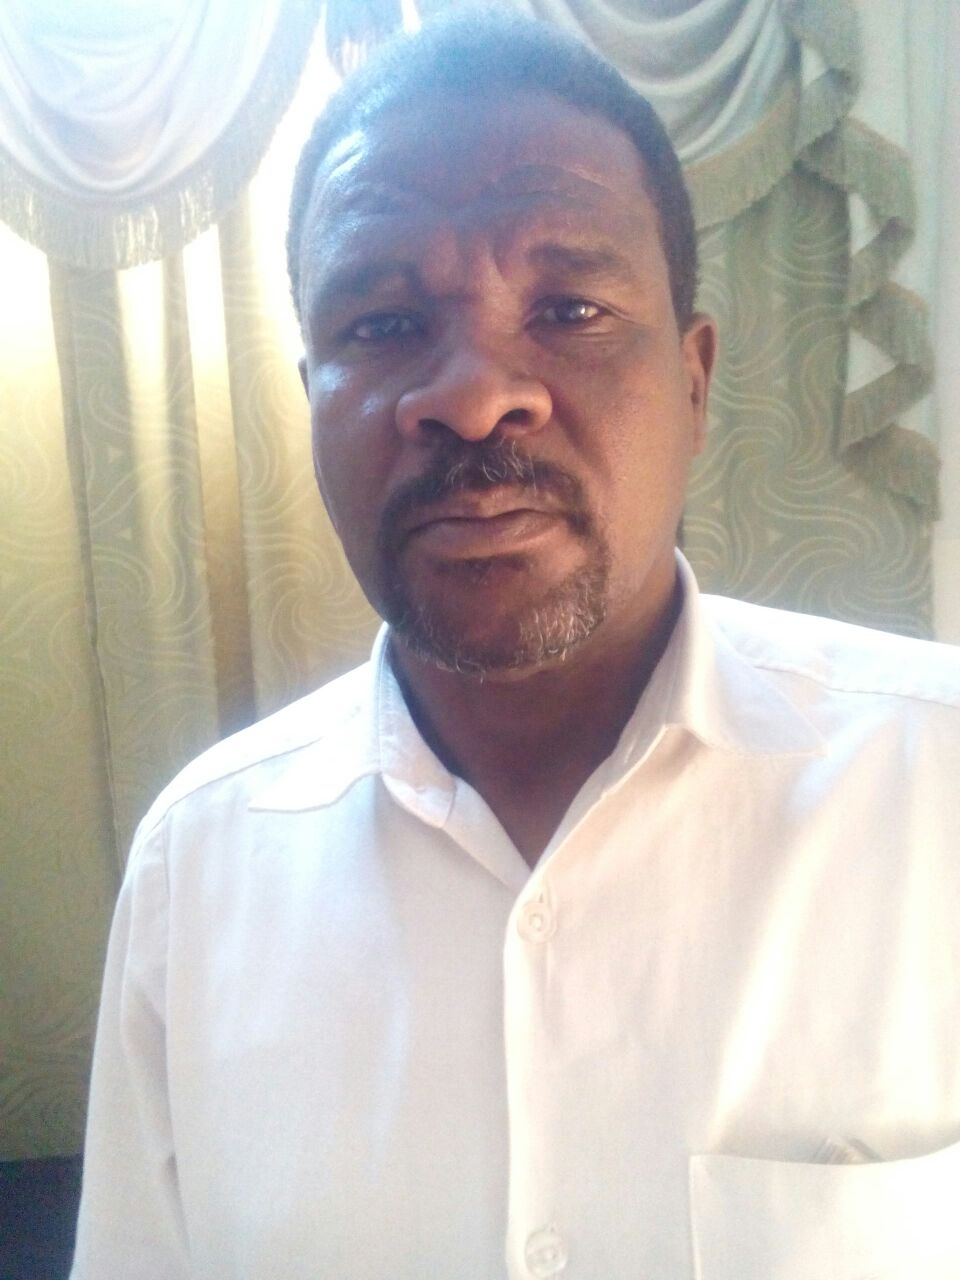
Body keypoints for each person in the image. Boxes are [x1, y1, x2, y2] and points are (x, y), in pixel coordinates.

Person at [71, 11, 960, 1279]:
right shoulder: (195, 868)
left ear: (694, 382)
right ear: (311, 397)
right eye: (383, 324)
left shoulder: (936, 789)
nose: (476, 396)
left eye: (570, 306)